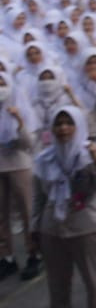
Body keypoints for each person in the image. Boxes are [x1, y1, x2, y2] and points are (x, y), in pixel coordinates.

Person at [31, 105, 96, 308]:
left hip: (86, 225)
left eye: (69, 124)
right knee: (57, 282)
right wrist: (34, 229)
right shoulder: (44, 158)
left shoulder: (94, 152)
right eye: (58, 124)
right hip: (53, 228)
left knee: (94, 279)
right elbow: (38, 198)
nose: (63, 129)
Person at [0, 69, 42, 281]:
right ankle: (6, 256)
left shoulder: (21, 108)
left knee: (27, 211)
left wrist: (18, 121)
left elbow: (28, 143)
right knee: (1, 215)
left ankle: (34, 252)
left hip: (19, 164)